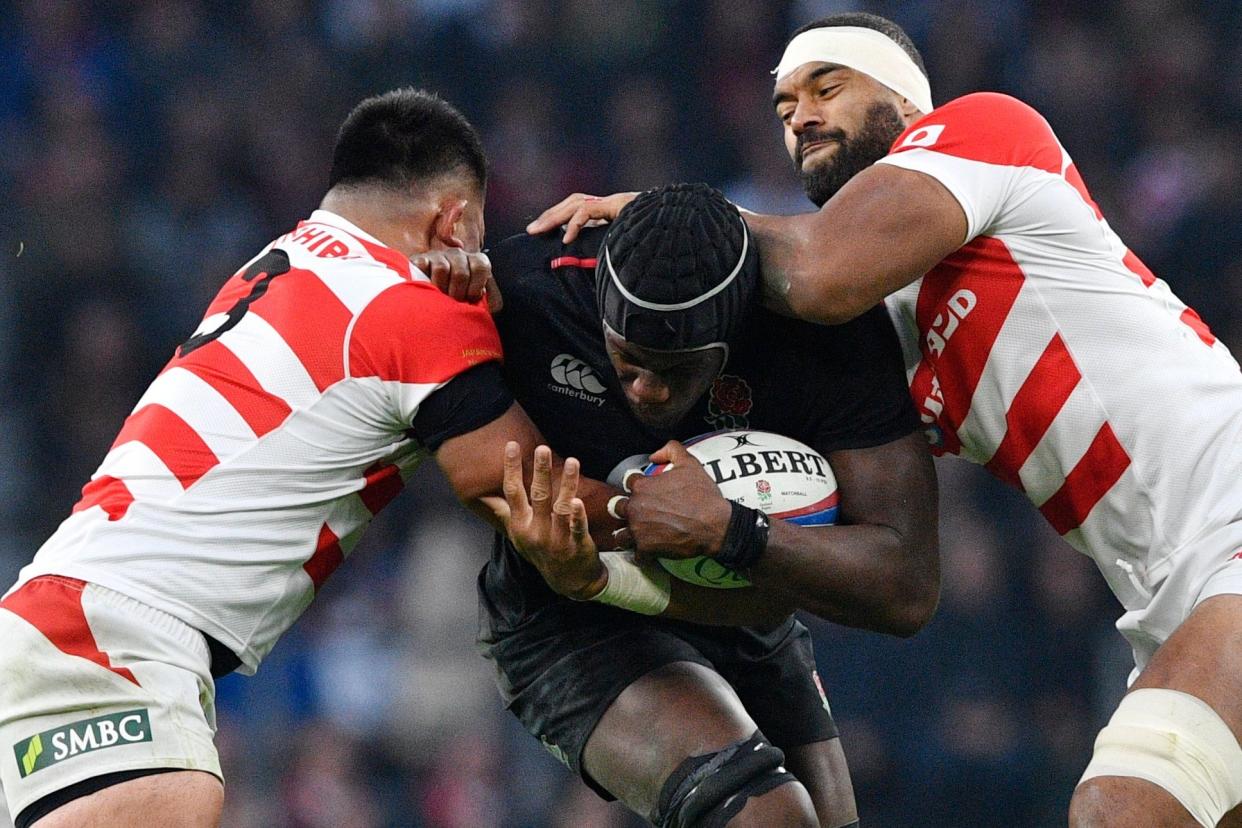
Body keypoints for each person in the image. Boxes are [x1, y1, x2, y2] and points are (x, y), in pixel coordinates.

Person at [527, 11, 1242, 828]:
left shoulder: (986, 132)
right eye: (784, 106)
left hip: (1231, 524)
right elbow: (878, 566)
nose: (800, 115)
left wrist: (679, 225)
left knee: (1122, 810)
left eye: (827, 86)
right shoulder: (875, 337)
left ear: (906, 100)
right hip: (1168, 599)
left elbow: (823, 269)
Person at [0, 88, 620, 828]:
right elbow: (533, 497)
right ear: (452, 220)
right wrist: (698, 513)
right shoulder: (411, 309)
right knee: (182, 795)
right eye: (477, 232)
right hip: (115, 637)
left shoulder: (282, 261)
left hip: (59, 611)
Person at [484, 183, 938, 828]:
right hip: (569, 613)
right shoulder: (529, 291)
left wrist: (729, 530)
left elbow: (907, 587)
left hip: (750, 606)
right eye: (625, 361)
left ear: (733, 339)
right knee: (766, 817)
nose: (643, 388)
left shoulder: (826, 329)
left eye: (674, 370)